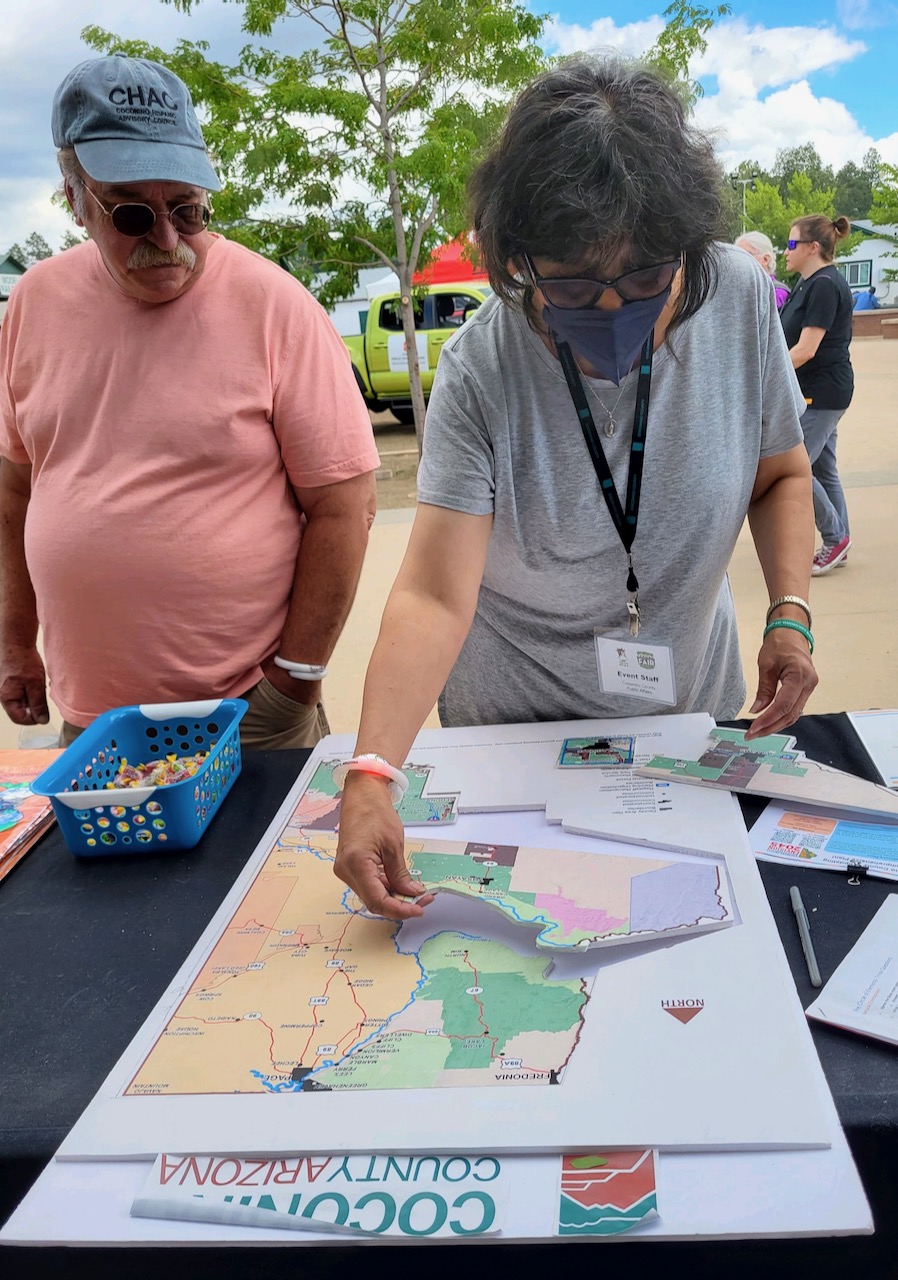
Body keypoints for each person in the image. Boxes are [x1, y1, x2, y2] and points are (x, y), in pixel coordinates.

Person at [332, 56, 818, 920]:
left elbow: (780, 473)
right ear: (518, 265)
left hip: (684, 722)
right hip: (514, 737)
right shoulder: (482, 367)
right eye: (569, 285)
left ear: (688, 254)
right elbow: (435, 594)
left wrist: (790, 610)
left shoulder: (735, 297)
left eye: (642, 279)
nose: (611, 308)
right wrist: (373, 771)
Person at [0, 54, 380, 750]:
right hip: (92, 723)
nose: (169, 241)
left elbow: (345, 507)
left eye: (188, 209)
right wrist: (15, 644)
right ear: (74, 198)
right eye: (134, 213)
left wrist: (293, 680)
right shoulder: (32, 303)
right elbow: (16, 494)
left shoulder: (274, 306)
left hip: (248, 713)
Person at [781, 216, 855, 575]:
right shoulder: (806, 283)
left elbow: (806, 348)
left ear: (814, 248)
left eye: (792, 244)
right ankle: (841, 539)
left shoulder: (825, 286)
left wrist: (766, 375)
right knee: (823, 468)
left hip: (821, 393)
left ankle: (834, 537)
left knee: (794, 465)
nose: (785, 251)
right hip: (818, 391)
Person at [735, 231, 790, 310]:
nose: (738, 261)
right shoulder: (740, 290)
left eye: (744, 255)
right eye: (736, 256)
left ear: (765, 259)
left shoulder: (777, 293)